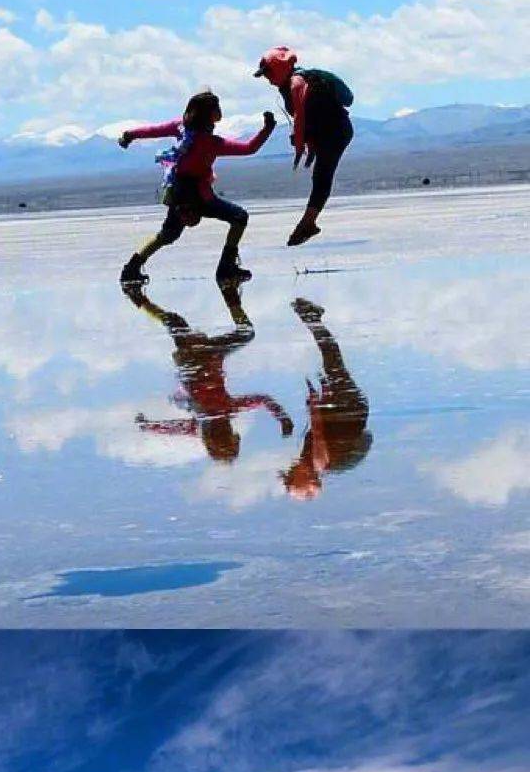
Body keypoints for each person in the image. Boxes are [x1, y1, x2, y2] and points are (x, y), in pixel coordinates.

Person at [117, 90, 275, 293]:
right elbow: (249, 148)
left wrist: (130, 135)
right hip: (200, 196)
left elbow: (153, 130)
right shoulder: (212, 143)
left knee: (168, 234)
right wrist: (267, 129)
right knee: (239, 217)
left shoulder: (181, 129)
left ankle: (131, 268)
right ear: (210, 114)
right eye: (217, 108)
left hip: (178, 193)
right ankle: (226, 266)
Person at [132, 293, 294, 463]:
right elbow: (171, 428)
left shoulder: (224, 412)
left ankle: (230, 293)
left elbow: (263, 399)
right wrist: (147, 426)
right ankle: (138, 298)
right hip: (195, 358)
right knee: (175, 322)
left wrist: (283, 417)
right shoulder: (202, 423)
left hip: (204, 356)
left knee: (244, 332)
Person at [255, 46, 354, 248]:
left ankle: (307, 223)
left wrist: (300, 147)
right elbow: (308, 118)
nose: (268, 80)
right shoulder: (291, 85)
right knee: (320, 175)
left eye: (269, 74)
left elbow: (300, 117)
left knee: (322, 175)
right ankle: (308, 223)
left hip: (335, 132)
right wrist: (306, 144)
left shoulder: (296, 83)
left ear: (279, 68)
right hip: (326, 132)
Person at [282, 300, 372, 497]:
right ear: (304, 476)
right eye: (291, 475)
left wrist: (323, 399)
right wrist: (315, 404)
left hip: (348, 412)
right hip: (350, 409)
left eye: (287, 475)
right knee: (332, 363)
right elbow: (318, 431)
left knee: (332, 364)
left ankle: (314, 319)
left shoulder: (315, 463)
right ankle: (313, 319)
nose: (289, 470)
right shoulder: (317, 462)